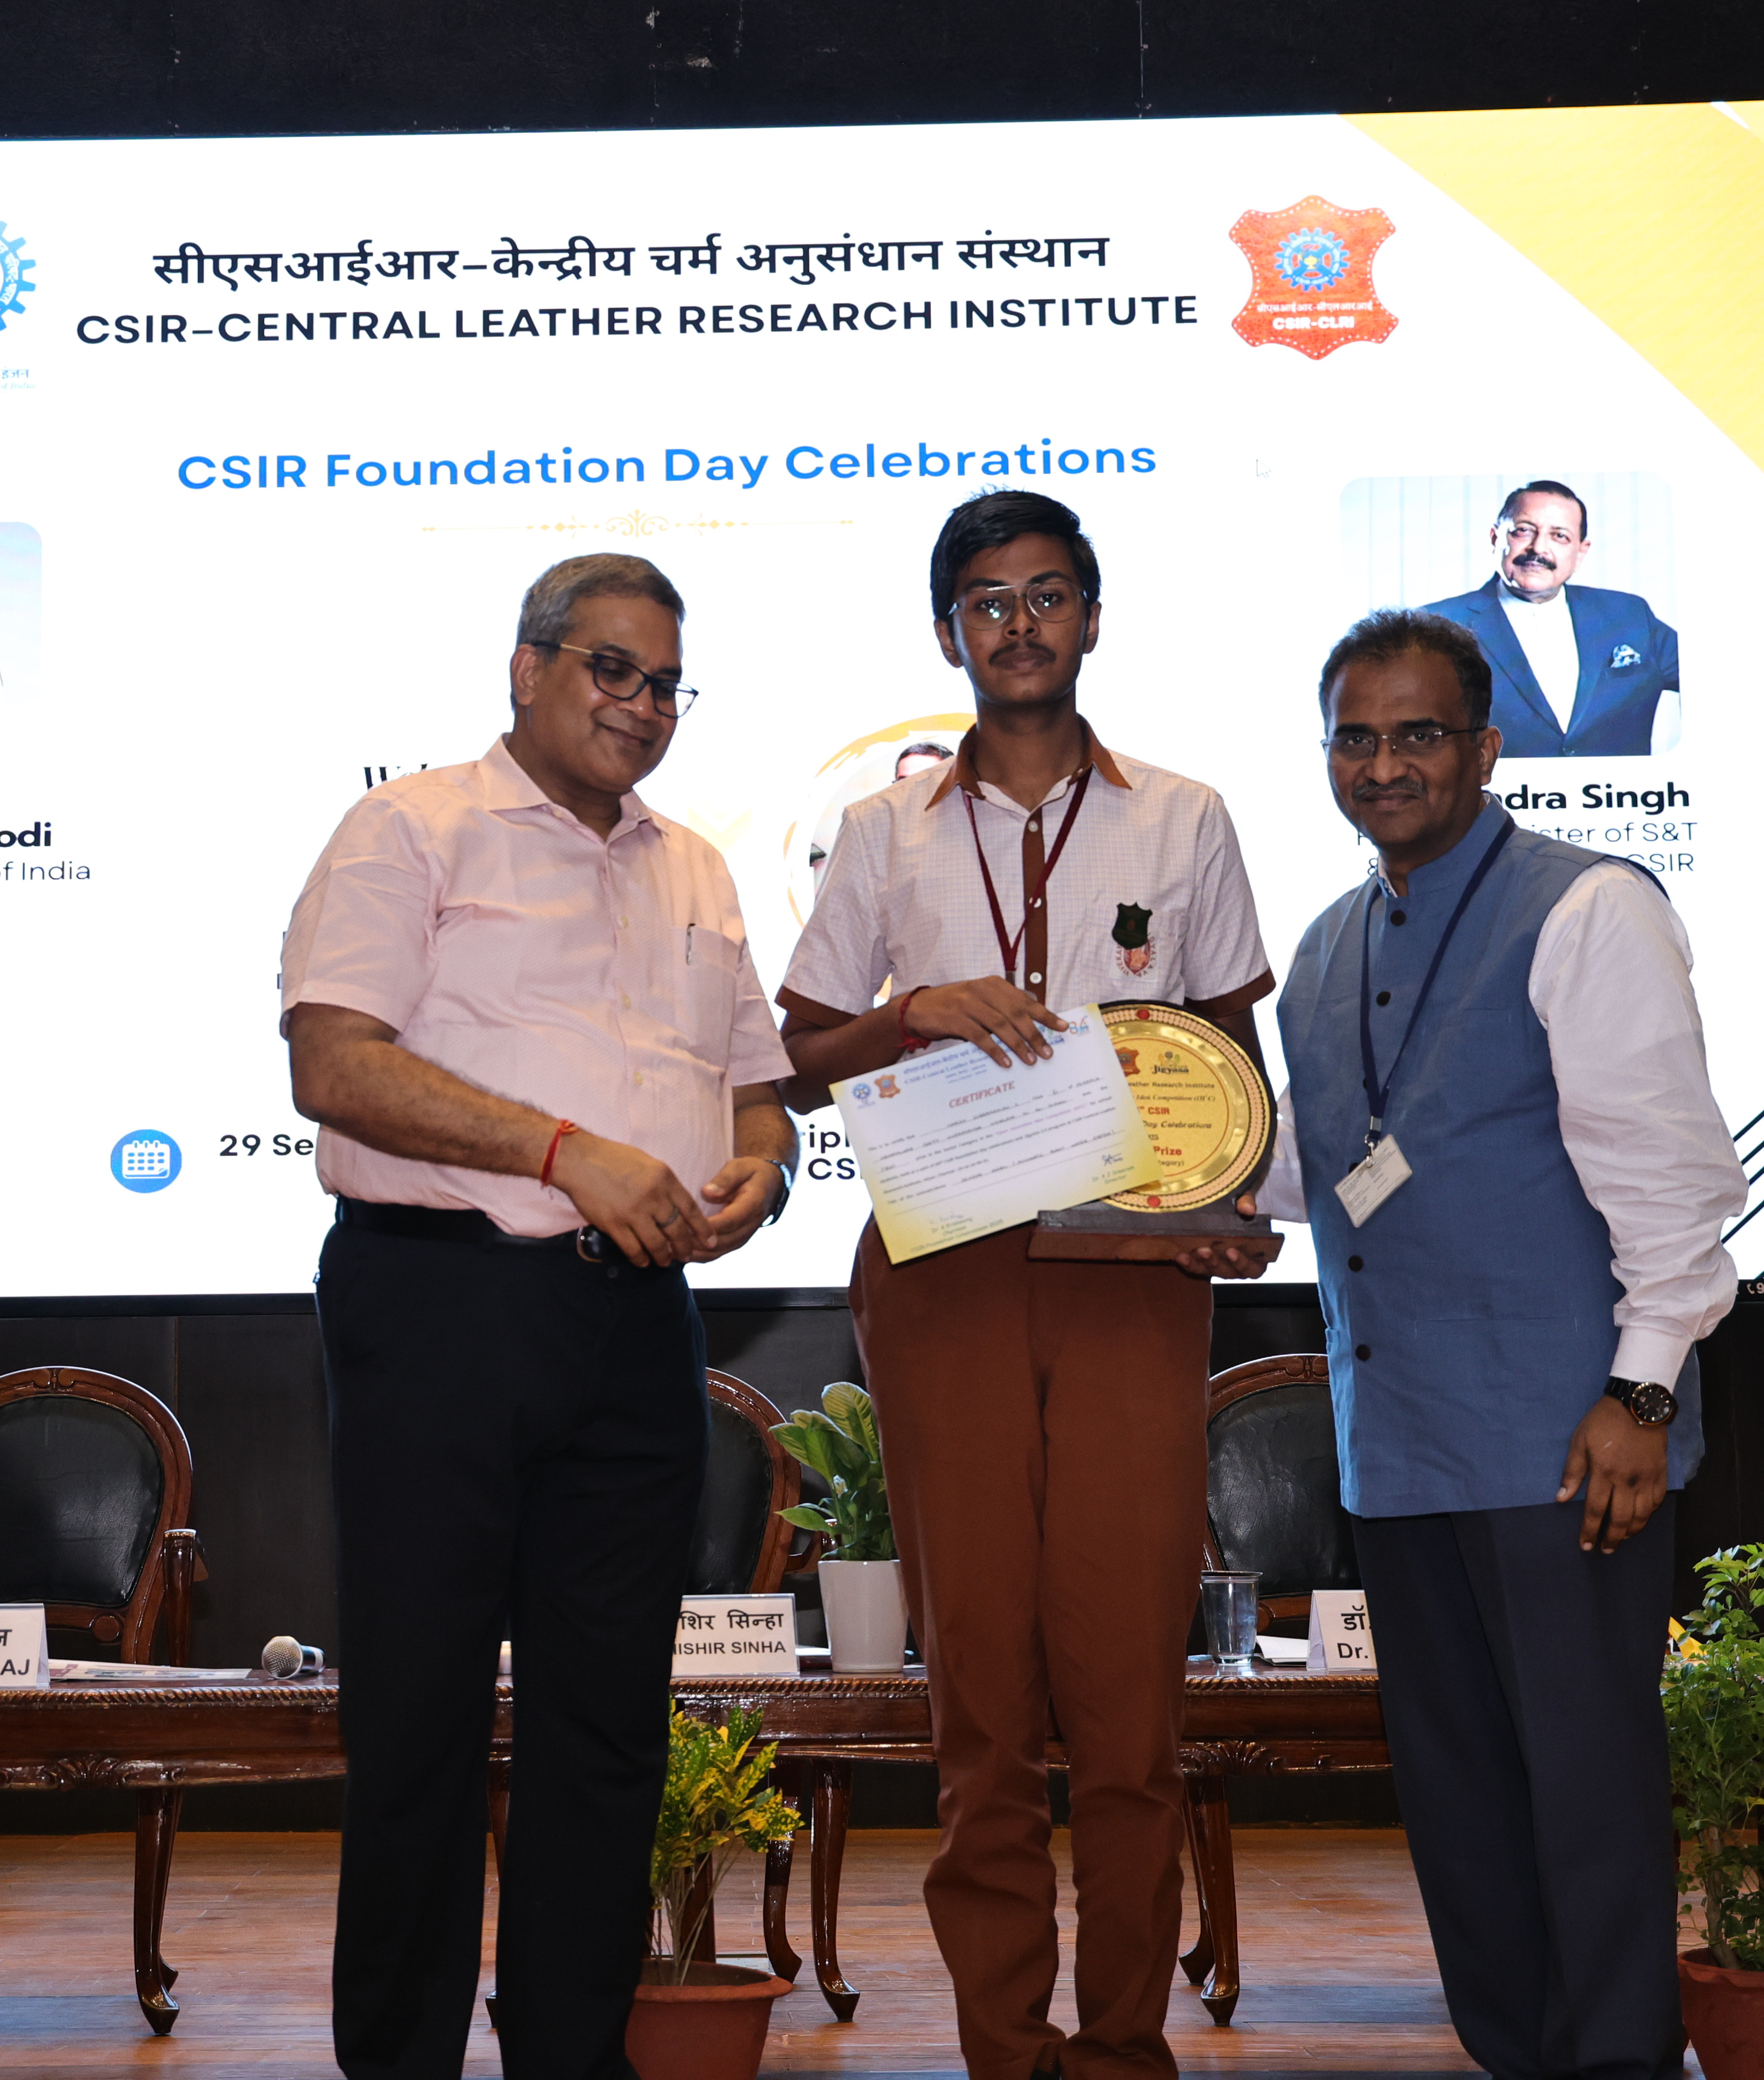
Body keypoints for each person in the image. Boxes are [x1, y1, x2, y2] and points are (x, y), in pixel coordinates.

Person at [772, 488, 1275, 2080]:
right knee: (980, 1699)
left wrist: (1235, 1203)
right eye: (986, 602)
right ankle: (1006, 2049)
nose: (1018, 624)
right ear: (948, 637)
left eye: (1046, 594)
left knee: (1128, 1700)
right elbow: (793, 1055)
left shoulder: (1183, 817)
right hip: (944, 1270)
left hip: (1133, 1272)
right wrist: (913, 1010)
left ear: (1092, 617)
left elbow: (1228, 1056)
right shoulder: (881, 832)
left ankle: (1121, 2049)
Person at [280, 553, 795, 2080]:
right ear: (528, 668)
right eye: (609, 669)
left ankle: (572, 2055)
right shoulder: (408, 827)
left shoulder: (696, 867)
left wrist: (760, 1174)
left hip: (633, 1325)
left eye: (665, 683)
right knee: (419, 1724)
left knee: (608, 1729)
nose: (640, 704)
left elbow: (756, 1092)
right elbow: (334, 1065)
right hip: (441, 1303)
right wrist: (566, 1154)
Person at [1267, 607, 1743, 2079]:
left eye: (1419, 734)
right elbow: (1310, 1164)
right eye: (1356, 737)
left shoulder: (1587, 907)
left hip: (1564, 1441)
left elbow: (1675, 1183)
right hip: (1399, 1443)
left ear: (1485, 748)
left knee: (1586, 1785)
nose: (1384, 764)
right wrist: (1163, 1169)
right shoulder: (1327, 944)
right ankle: (1517, 2055)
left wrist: (1641, 1393)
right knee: (1460, 1798)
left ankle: (1616, 2059)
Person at [1418, 480, 1680, 758]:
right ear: (1496, 539)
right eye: (1524, 531)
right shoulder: (1435, 626)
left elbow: (1708, 677)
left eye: (1560, 536)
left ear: (1580, 553)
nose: (1539, 548)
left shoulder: (1629, 615)